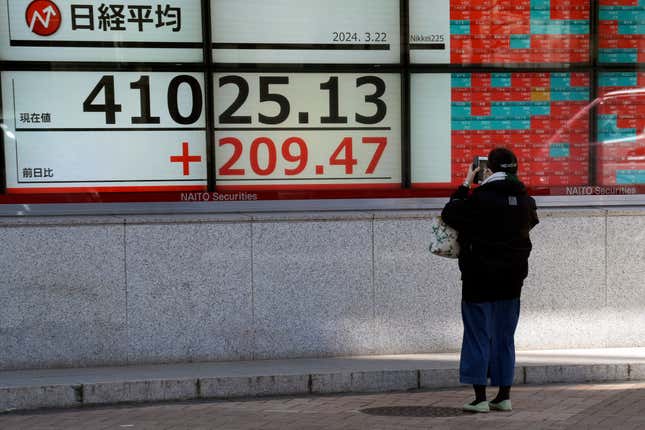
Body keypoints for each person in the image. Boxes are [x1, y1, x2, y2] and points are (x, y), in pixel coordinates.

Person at [441, 147, 539, 413]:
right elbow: (529, 222)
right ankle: (504, 396)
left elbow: (450, 213)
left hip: (479, 279)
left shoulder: (479, 198)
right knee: (505, 337)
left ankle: (480, 398)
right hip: (512, 280)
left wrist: (465, 184)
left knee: (477, 336)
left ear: (489, 169)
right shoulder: (525, 200)